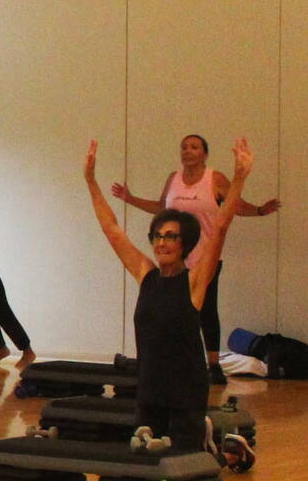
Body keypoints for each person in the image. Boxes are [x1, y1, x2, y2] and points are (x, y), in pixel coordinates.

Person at [86, 137, 252, 453]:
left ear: (184, 243)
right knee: (144, 457)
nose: (163, 243)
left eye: (171, 237)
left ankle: (221, 445)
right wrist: (91, 181)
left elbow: (219, 227)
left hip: (186, 390)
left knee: (185, 461)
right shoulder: (145, 275)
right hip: (150, 389)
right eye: (159, 236)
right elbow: (112, 229)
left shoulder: (195, 282)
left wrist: (240, 177)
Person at [110, 133, 281, 382]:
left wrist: (258, 211)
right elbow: (161, 208)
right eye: (184, 147)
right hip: (176, 262)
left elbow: (234, 205)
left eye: (194, 147)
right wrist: (130, 198)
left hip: (204, 258)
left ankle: (213, 365)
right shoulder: (174, 179)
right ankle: (172, 362)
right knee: (170, 312)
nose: (188, 151)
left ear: (204, 154)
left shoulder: (215, 179)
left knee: (206, 311)